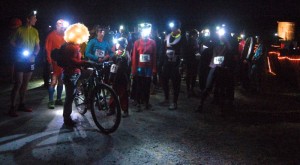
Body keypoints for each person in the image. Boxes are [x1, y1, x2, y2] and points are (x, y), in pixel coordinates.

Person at [61, 23, 94, 126]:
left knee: (90, 72)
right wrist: (84, 63)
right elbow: (73, 61)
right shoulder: (72, 47)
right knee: (69, 97)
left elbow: (76, 60)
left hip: (75, 73)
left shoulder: (73, 46)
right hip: (70, 75)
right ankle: (67, 119)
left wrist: (83, 63)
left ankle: (83, 89)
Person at [8, 11, 40, 117]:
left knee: (25, 84)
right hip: (20, 60)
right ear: (28, 19)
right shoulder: (19, 30)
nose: (35, 20)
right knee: (18, 83)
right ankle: (12, 107)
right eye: (34, 18)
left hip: (30, 60)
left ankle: (22, 104)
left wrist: (34, 54)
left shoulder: (35, 31)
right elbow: (11, 42)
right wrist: (19, 48)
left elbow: (38, 46)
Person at [131, 23, 157, 111]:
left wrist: (154, 69)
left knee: (147, 85)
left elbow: (154, 57)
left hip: (148, 68)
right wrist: (134, 70)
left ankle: (146, 102)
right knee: (139, 85)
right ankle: (138, 102)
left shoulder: (153, 42)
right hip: (139, 68)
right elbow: (134, 57)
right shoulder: (137, 42)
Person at [160, 20, 185, 110]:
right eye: (171, 27)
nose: (172, 28)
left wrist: (181, 63)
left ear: (178, 27)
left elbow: (183, 51)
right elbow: (163, 49)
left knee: (175, 83)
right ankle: (166, 98)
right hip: (167, 62)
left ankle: (174, 102)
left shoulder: (182, 38)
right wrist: (162, 62)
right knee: (164, 80)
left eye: (174, 26)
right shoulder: (167, 36)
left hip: (176, 63)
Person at [45, 19, 68, 109]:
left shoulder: (66, 36)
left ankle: (58, 99)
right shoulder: (51, 36)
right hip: (54, 63)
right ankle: (51, 101)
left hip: (62, 63)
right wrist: (49, 62)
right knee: (53, 81)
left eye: (63, 25)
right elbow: (47, 50)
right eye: (60, 25)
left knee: (61, 81)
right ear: (56, 26)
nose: (62, 27)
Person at [109, 37, 131, 117]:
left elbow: (125, 67)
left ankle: (125, 110)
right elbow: (112, 62)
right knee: (113, 93)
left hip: (122, 77)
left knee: (123, 94)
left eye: (118, 43)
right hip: (115, 77)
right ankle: (112, 109)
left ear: (122, 45)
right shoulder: (116, 53)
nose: (116, 45)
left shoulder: (126, 54)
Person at [185, 29, 200, 97]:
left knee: (192, 75)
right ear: (193, 35)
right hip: (190, 60)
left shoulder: (196, 41)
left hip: (194, 60)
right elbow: (190, 51)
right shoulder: (190, 41)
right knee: (190, 75)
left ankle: (191, 89)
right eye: (197, 34)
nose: (198, 35)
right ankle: (189, 90)